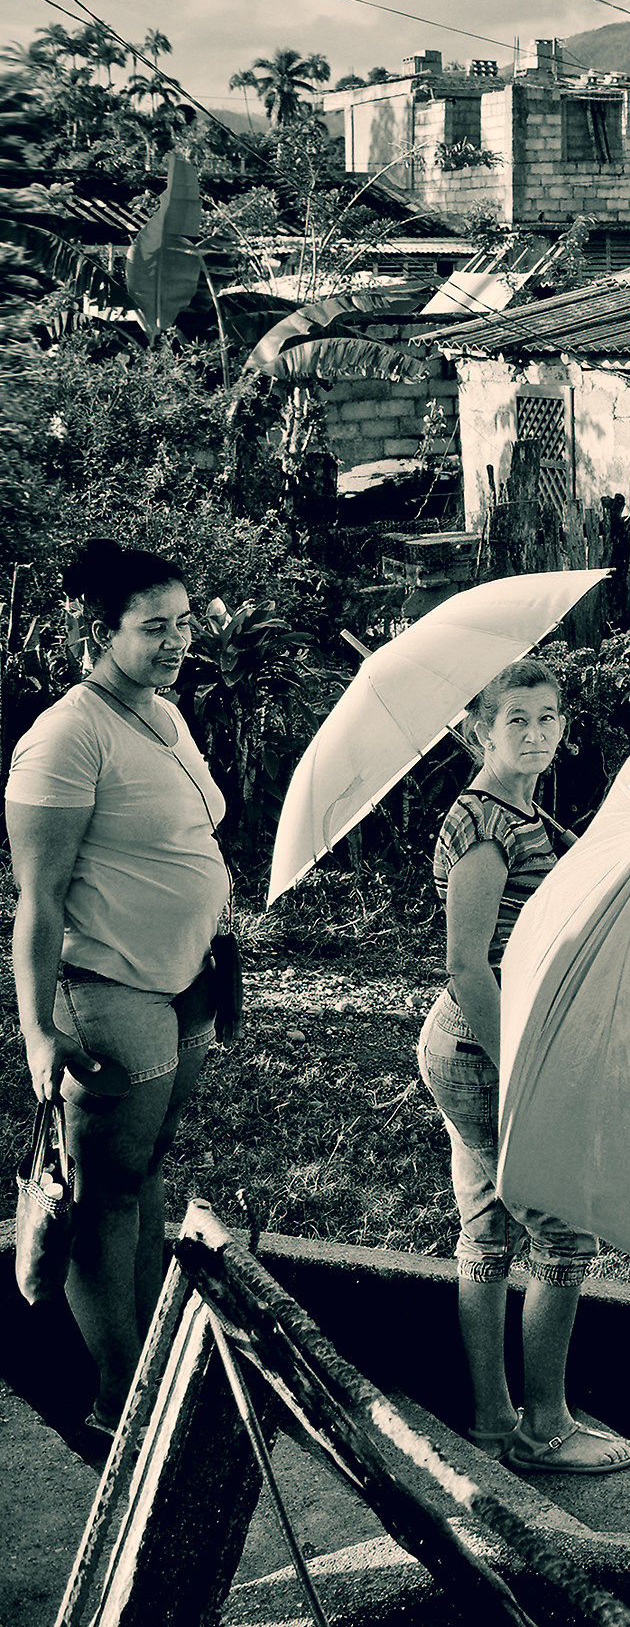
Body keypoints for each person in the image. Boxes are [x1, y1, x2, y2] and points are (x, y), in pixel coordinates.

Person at [8, 540, 229, 1439]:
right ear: (97, 634)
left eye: (184, 622)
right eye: (154, 628)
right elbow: (39, 899)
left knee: (143, 1179)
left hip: (187, 988)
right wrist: (35, 1033)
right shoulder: (66, 737)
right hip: (111, 995)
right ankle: (115, 1404)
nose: (179, 641)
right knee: (105, 1194)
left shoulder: (162, 716)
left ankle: (146, 1376)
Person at [417, 661, 630, 1475]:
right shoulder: (484, 824)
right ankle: (545, 1427)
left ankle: (490, 1423)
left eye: (549, 718)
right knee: (563, 1229)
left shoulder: (520, 811)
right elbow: (467, 965)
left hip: (469, 1047)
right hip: (488, 1049)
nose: (539, 734)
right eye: (518, 720)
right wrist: (524, 1070)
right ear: (478, 730)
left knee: (486, 1231)